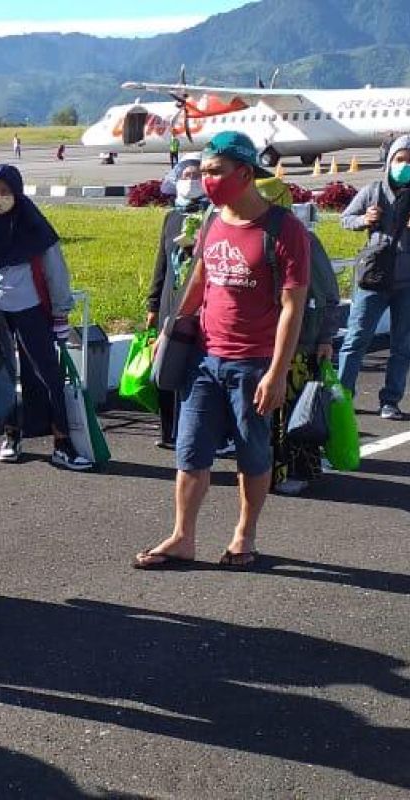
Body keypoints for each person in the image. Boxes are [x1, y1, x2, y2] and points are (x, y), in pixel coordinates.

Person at [133, 131, 309, 571]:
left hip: (253, 364)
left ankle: (244, 533)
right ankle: (182, 537)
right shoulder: (213, 219)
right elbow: (201, 279)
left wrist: (277, 372)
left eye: (215, 171)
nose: (205, 179)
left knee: (252, 455)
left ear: (245, 173)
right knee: (190, 452)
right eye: (203, 171)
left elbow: (293, 307)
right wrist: (172, 330)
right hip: (204, 360)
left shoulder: (284, 230)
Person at [0, 164, 93, 470]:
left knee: (48, 377)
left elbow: (56, 272)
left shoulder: (36, 228)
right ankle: (11, 436)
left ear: (17, 194)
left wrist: (60, 313)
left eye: (6, 192)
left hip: (33, 311)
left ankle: (62, 443)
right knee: (2, 376)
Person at [255, 177, 340, 495]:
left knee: (298, 410)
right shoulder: (256, 236)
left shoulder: (303, 239)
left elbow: (328, 294)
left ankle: (301, 470)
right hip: (266, 339)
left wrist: (325, 338)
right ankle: (274, 472)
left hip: (301, 340)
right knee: (271, 412)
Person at [337, 133, 410, 421]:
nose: (404, 165)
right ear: (390, 161)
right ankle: (342, 397)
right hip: (373, 279)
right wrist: (364, 220)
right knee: (356, 340)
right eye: (400, 159)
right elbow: (345, 218)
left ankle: (390, 401)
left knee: (402, 346)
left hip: (406, 283)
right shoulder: (373, 190)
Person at [147, 157, 208, 448]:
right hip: (170, 302)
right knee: (165, 365)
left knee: (192, 368)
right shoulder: (171, 217)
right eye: (185, 175)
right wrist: (152, 304)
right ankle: (167, 430)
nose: (191, 179)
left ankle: (192, 429)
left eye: (197, 175)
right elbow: (161, 263)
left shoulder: (212, 215)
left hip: (197, 303)